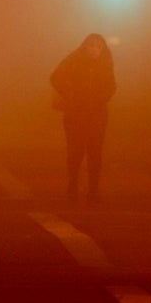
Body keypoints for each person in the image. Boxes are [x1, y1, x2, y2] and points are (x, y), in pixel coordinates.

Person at [50, 33, 116, 203]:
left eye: (98, 47)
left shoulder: (105, 64)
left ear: (103, 50)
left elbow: (112, 85)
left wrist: (102, 98)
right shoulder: (73, 60)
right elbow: (55, 77)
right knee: (75, 151)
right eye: (91, 46)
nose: (95, 50)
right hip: (75, 113)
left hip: (97, 114)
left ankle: (93, 191)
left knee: (95, 153)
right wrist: (70, 94)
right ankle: (72, 186)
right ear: (84, 47)